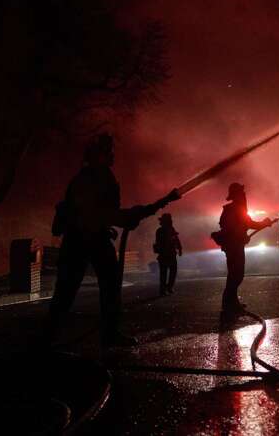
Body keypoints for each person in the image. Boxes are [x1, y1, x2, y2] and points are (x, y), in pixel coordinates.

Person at [47, 133, 179, 349]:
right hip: (84, 242)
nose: (112, 156)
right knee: (82, 289)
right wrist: (157, 204)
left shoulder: (88, 177)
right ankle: (55, 339)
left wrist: (115, 223)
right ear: (97, 155)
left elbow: (104, 215)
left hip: (86, 239)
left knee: (87, 288)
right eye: (107, 152)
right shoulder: (96, 179)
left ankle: (55, 338)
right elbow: (108, 215)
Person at [217, 182, 271, 315]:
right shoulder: (236, 208)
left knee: (235, 274)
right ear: (238, 195)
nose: (244, 195)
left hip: (233, 246)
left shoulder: (232, 208)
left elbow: (244, 224)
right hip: (234, 246)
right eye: (242, 193)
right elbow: (248, 223)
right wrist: (264, 223)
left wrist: (245, 234)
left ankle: (231, 302)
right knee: (236, 275)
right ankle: (228, 304)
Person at [154, 213, 182, 295]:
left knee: (169, 272)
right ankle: (165, 289)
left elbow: (176, 240)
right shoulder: (161, 231)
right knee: (166, 273)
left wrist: (179, 248)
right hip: (165, 254)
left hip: (168, 254)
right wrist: (179, 249)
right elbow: (175, 240)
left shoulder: (168, 229)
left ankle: (167, 288)